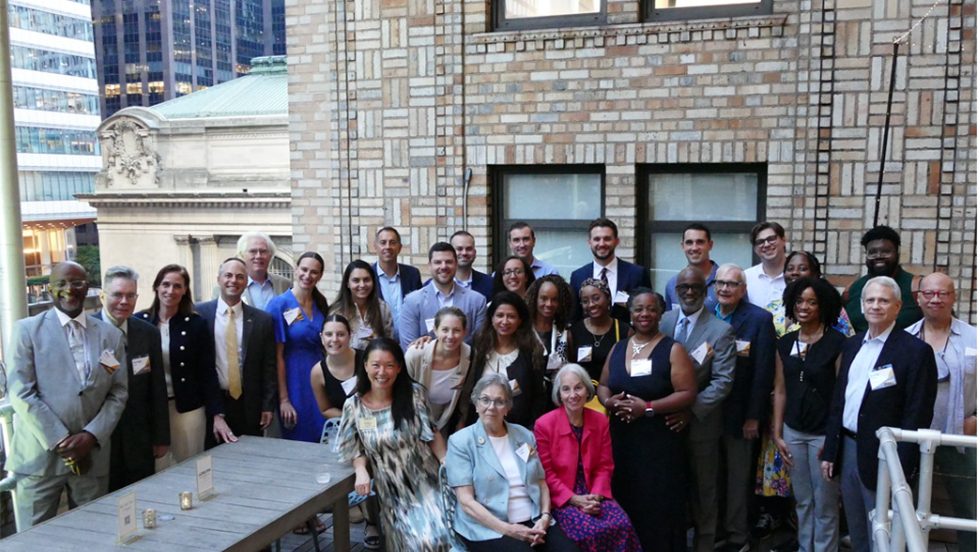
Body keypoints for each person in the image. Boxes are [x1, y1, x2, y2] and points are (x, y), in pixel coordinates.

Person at [7, 262, 128, 529]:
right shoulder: (26, 331)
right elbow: (20, 391)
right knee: (34, 541)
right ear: (49, 289)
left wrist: (91, 436)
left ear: (88, 287)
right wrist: (63, 441)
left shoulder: (111, 335)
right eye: (61, 283)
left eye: (77, 283)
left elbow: (118, 392)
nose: (69, 290)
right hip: (40, 459)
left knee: (93, 534)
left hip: (92, 456)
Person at [821, 276, 937, 552]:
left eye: (884, 300)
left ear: (898, 307)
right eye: (870, 300)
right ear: (861, 306)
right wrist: (831, 451)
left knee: (883, 533)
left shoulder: (915, 352)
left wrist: (904, 465)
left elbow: (918, 413)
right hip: (848, 450)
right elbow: (840, 399)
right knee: (857, 528)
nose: (876, 306)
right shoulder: (851, 345)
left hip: (886, 456)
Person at [598, 288, 698, 551]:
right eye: (639, 309)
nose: (645, 314)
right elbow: (604, 384)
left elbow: (688, 392)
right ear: (630, 313)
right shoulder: (619, 348)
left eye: (651, 309)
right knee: (626, 500)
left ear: (660, 313)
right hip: (622, 443)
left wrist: (649, 408)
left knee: (657, 508)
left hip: (659, 444)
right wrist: (608, 402)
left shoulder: (672, 349)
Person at [338, 337, 454, 551]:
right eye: (376, 365)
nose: (382, 372)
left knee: (439, 539)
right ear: (365, 366)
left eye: (389, 365)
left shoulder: (414, 394)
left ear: (399, 368)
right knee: (411, 544)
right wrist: (361, 469)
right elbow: (354, 446)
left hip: (426, 482)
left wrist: (446, 462)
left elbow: (432, 433)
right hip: (392, 490)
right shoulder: (353, 406)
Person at [446, 372, 578, 552]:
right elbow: (466, 502)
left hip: (533, 518)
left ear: (507, 408)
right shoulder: (460, 442)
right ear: (476, 404)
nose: (491, 407)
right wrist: (508, 529)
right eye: (485, 399)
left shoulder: (524, 435)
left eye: (499, 401)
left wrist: (545, 517)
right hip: (489, 526)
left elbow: (540, 482)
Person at [658, 267, 736, 552]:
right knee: (669, 490)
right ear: (675, 291)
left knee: (705, 493)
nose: (689, 292)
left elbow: (723, 381)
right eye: (684, 288)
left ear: (706, 292)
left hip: (701, 426)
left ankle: (704, 546)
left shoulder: (721, 330)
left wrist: (689, 411)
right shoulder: (661, 321)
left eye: (696, 288)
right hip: (662, 425)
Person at [771, 276, 845, 552]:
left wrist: (833, 438)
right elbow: (780, 390)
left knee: (825, 503)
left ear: (823, 305)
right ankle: (805, 547)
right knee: (802, 500)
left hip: (823, 435)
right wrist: (777, 434)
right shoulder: (786, 341)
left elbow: (841, 394)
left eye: (812, 302)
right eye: (800, 301)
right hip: (793, 432)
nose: (804, 307)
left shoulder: (838, 343)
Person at [535, 364, 642, 552]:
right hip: (564, 496)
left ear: (587, 390)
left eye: (578, 387)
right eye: (566, 389)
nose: (573, 395)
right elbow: (546, 474)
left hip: (595, 491)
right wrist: (575, 499)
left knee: (622, 525)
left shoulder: (600, 421)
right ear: (559, 394)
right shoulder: (544, 425)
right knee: (588, 533)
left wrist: (596, 496)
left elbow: (605, 465)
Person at [906, 272, 976, 552]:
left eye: (943, 293)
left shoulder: (974, 337)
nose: (936, 299)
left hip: (961, 435)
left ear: (953, 297)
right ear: (919, 298)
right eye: (929, 294)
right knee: (906, 501)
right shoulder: (906, 338)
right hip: (912, 435)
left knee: (969, 506)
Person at [713, 264, 777, 552]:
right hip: (706, 414)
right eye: (721, 283)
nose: (725, 289)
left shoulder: (759, 319)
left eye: (732, 284)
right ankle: (714, 531)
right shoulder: (706, 314)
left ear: (743, 288)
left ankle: (738, 536)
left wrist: (754, 416)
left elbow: (763, 372)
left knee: (738, 480)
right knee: (712, 478)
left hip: (741, 416)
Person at [138, 264, 225, 467]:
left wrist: (217, 413)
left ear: (185, 290)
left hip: (187, 408)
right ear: (156, 287)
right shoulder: (139, 322)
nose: (171, 291)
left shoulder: (196, 324)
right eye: (165, 284)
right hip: (151, 409)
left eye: (177, 286)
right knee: (157, 467)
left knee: (189, 465)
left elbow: (207, 372)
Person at [97, 266, 169, 491]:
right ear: (102, 296)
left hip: (140, 436)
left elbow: (157, 387)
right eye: (117, 295)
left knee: (142, 495)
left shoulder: (147, 332)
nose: (124, 301)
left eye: (130, 296)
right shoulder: (87, 331)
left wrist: (161, 436)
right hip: (100, 437)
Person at [197, 257, 277, 448]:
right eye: (228, 275)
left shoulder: (262, 320)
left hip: (249, 404)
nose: (233, 281)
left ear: (246, 281)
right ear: (218, 279)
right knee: (213, 460)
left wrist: (268, 405)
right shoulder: (199, 314)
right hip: (213, 403)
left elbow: (269, 366)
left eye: (240, 277)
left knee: (250, 459)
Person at [266, 251, 330, 443]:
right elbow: (276, 356)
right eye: (304, 269)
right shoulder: (279, 305)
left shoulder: (321, 303)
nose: (307, 275)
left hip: (319, 378)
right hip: (294, 381)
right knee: (299, 434)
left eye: (314, 272)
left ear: (320, 276)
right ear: (295, 270)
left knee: (323, 433)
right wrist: (284, 399)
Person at [467, 291, 548, 428]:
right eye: (500, 315)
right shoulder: (478, 346)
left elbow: (538, 397)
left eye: (511, 316)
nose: (505, 321)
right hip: (479, 426)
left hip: (518, 428)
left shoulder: (532, 351)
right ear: (491, 318)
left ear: (520, 320)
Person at [398, 242, 487, 349]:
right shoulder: (412, 301)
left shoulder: (477, 301)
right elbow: (409, 347)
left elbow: (480, 344)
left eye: (448, 262)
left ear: (456, 264)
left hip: (466, 364)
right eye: (438, 262)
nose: (443, 266)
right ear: (429, 266)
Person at [405, 306, 473, 436]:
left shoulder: (469, 355)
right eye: (445, 330)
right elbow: (401, 392)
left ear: (465, 332)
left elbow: (465, 396)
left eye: (457, 330)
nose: (450, 336)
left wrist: (460, 426)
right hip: (413, 422)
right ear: (435, 330)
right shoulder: (415, 354)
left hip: (446, 423)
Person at [843, 225, 922, 333]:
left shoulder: (916, 287)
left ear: (897, 254)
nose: (879, 256)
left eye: (886, 251)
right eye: (872, 252)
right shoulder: (852, 289)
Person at [570, 218, 651, 322]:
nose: (602, 244)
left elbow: (647, 311)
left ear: (616, 241)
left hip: (629, 336)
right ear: (589, 242)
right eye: (597, 239)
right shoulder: (578, 276)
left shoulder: (637, 274)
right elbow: (575, 317)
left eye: (607, 239)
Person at [768, 251, 853, 337]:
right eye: (790, 269)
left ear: (815, 274)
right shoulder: (772, 307)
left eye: (802, 269)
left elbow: (845, 340)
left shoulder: (829, 306)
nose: (795, 272)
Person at [568, 279, 625, 382]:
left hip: (613, 393)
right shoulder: (574, 331)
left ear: (608, 298)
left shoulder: (624, 330)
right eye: (585, 301)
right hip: (583, 394)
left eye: (596, 298)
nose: (591, 304)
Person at [218, 231, 291, 310]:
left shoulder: (285, 285)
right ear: (242, 255)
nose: (258, 256)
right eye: (253, 251)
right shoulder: (226, 286)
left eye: (263, 251)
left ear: (270, 256)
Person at [330, 259, 394, 350]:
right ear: (347, 283)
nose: (362, 285)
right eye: (356, 280)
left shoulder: (383, 308)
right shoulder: (336, 312)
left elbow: (389, 344)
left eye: (366, 280)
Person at [374, 227, 423, 339]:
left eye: (392, 243)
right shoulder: (368, 276)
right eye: (383, 243)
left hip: (409, 342)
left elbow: (420, 308)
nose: (387, 247)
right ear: (375, 247)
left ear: (399, 247)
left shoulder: (412, 274)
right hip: (379, 344)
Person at [311, 314, 361, 420]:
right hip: (344, 424)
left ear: (350, 336)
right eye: (329, 334)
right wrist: (352, 418)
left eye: (341, 334)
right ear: (321, 338)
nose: (334, 339)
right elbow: (325, 409)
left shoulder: (367, 360)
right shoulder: (317, 372)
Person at [526, 275, 574, 384]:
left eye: (554, 299)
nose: (549, 304)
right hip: (529, 396)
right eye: (544, 298)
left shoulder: (565, 333)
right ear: (535, 298)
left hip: (559, 396)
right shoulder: (523, 331)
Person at [664, 223, 720, 311]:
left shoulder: (725, 282)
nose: (694, 248)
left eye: (700, 242)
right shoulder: (673, 284)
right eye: (689, 242)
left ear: (710, 245)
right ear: (683, 246)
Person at [743, 222, 788, 309]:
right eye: (760, 242)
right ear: (755, 248)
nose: (766, 244)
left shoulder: (797, 275)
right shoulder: (746, 277)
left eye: (771, 239)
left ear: (783, 240)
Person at [452, 230, 494, 300]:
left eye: (468, 249)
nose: (464, 253)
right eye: (459, 249)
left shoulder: (490, 284)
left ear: (474, 253)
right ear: (451, 253)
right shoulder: (434, 285)